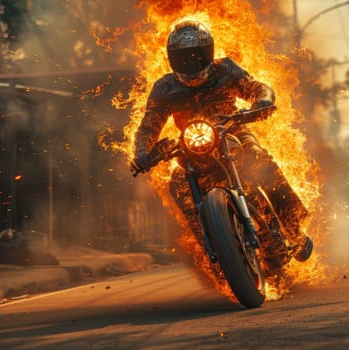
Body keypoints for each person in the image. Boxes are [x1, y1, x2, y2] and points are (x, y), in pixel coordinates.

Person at [130, 20, 312, 262]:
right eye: (184, 57)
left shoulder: (225, 70)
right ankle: (213, 252)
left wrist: (263, 101)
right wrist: (141, 152)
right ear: (172, 58)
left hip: (232, 130)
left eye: (196, 55)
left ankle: (293, 227)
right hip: (192, 144)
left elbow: (255, 87)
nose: (191, 62)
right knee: (178, 185)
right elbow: (148, 126)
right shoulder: (164, 88)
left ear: (209, 51)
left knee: (258, 159)